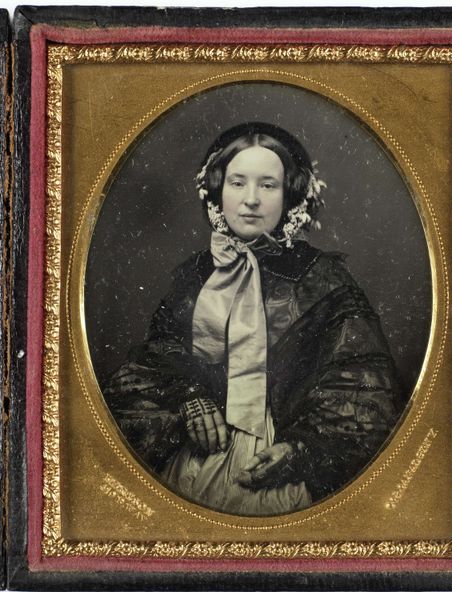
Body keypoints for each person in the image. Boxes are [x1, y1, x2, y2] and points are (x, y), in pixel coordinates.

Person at [104, 122, 402, 516]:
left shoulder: (323, 281)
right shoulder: (195, 275)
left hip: (277, 462)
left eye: (268, 185)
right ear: (217, 191)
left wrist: (299, 449)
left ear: (290, 195)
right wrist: (190, 398)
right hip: (193, 457)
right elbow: (154, 364)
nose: (251, 200)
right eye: (237, 183)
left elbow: (363, 388)